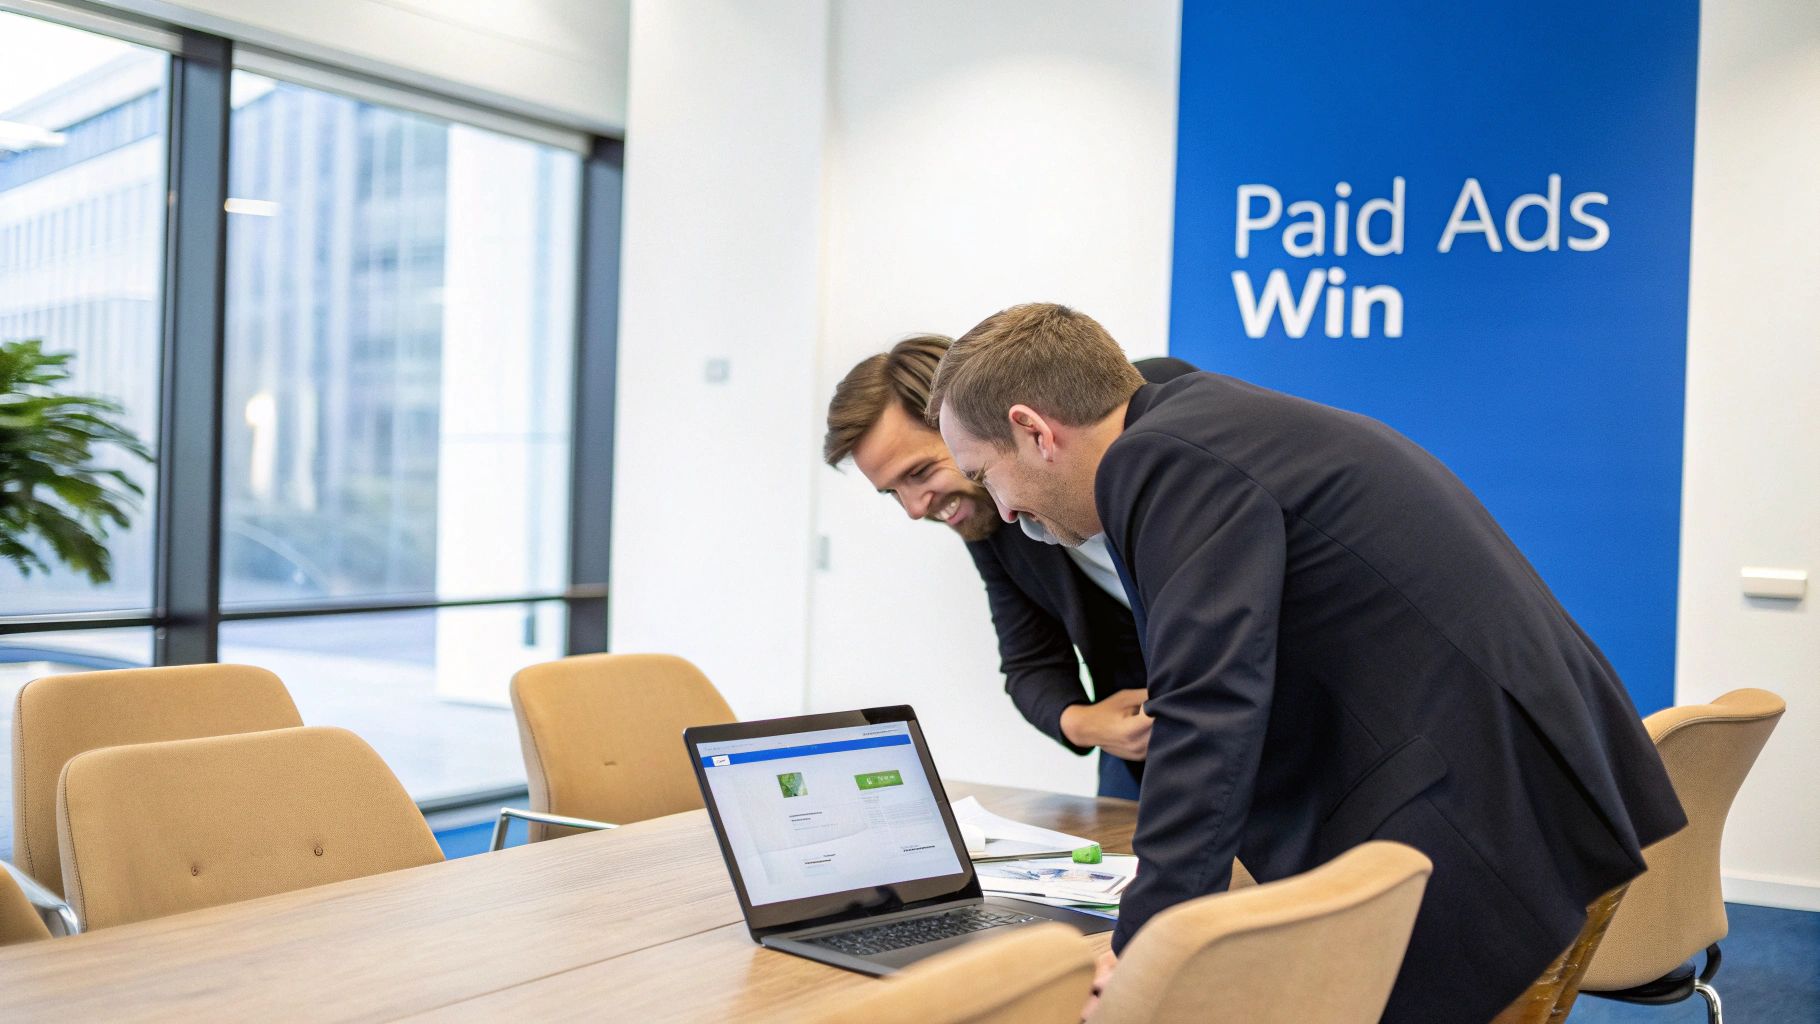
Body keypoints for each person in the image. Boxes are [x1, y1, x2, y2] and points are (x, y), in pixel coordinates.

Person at [927, 303, 1686, 1022]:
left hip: (1481, 818)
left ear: (1034, 431)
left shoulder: (1161, 460)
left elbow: (1207, 708)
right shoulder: (1207, 418)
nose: (1008, 514)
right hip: (1527, 782)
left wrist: (1144, 947)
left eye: (986, 474)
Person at [823, 335, 1197, 798]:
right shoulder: (988, 523)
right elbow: (1029, 662)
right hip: (1146, 745)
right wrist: (1081, 722)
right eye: (891, 492)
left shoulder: (1155, 401)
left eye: (919, 473)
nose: (915, 509)